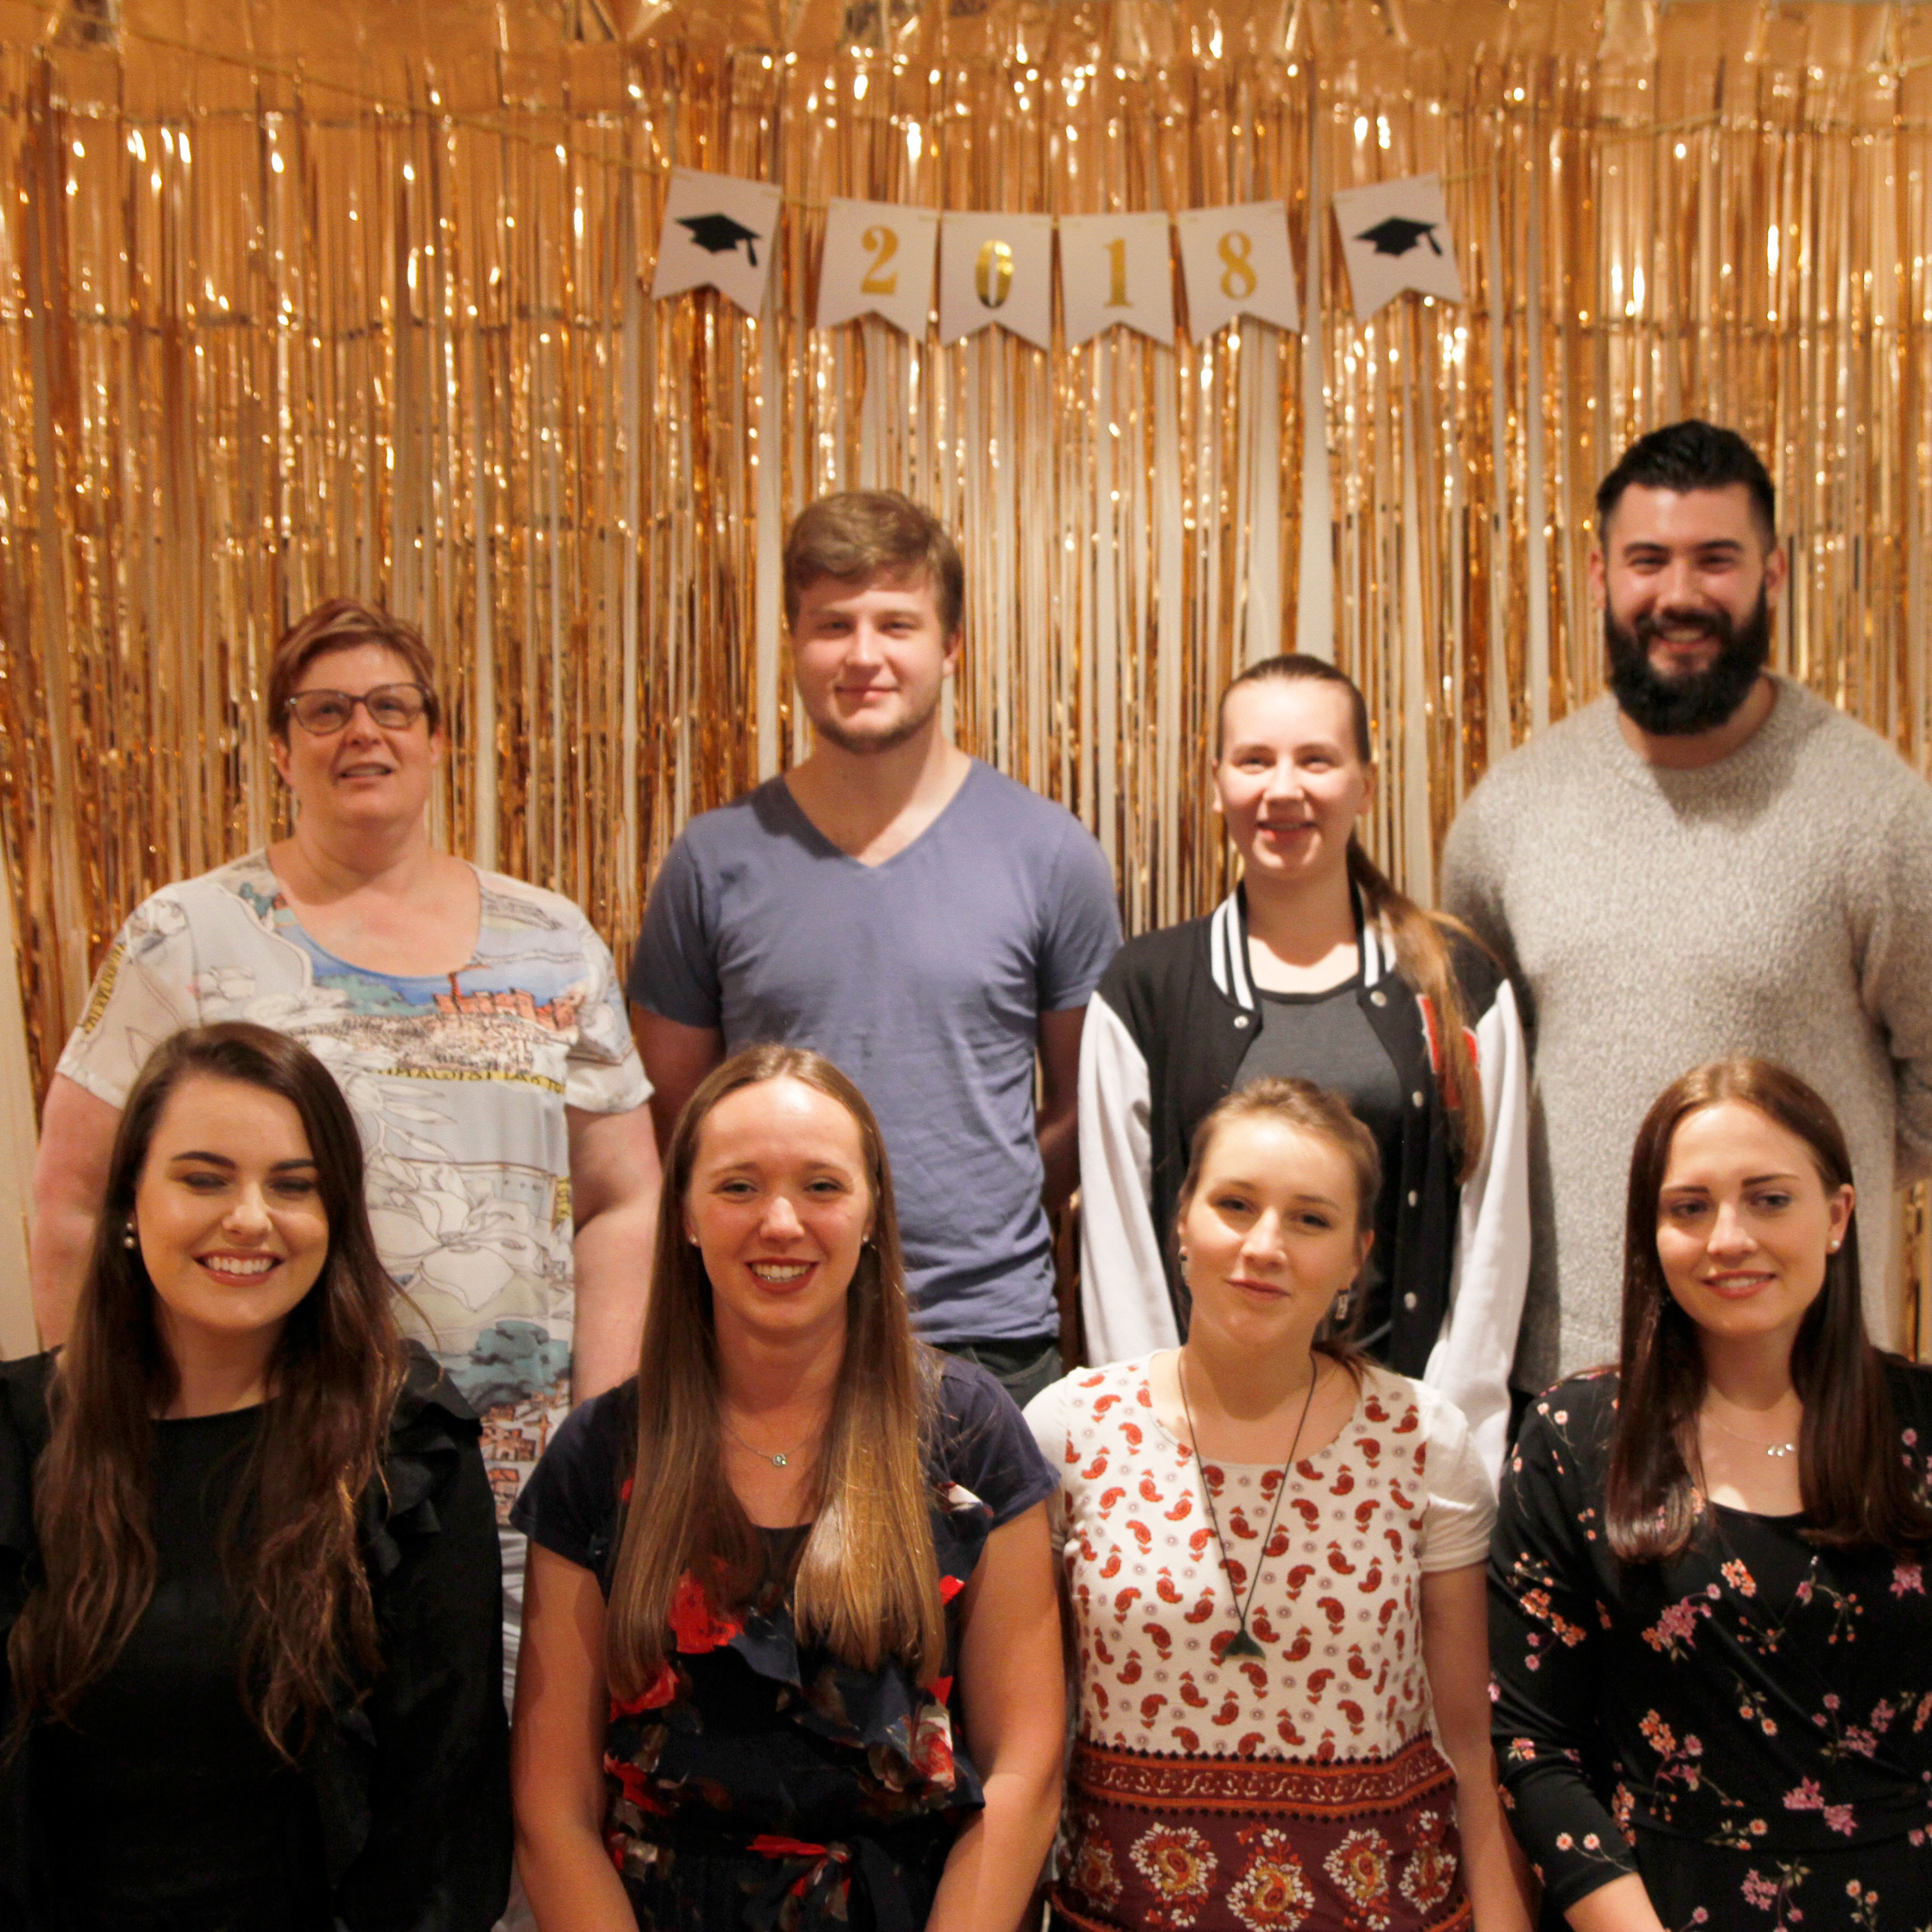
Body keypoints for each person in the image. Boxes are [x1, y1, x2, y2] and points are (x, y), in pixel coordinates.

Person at [30, 596, 658, 1667]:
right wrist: (112, 1430)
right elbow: (76, 1198)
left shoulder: (552, 942)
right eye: (323, 712)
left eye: (390, 707)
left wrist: (606, 1437)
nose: (361, 733)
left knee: (500, 1784)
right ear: (279, 748)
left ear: (437, 737)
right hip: (252, 1469)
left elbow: (622, 1200)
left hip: (515, 1487)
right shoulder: (182, 935)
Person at [509, 1042, 1065, 1931]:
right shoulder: (599, 1455)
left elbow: (1025, 1768)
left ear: (873, 1211)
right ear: (685, 1214)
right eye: (737, 1187)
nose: (780, 1223)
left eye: (822, 1187)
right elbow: (553, 1811)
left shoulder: (971, 1433)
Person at [1441, 420, 1932, 1400]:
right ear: (1597, 577)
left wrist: (1787, 1215)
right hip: (1571, 1382)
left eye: (1717, 560)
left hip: (1809, 1380)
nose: (1680, 596)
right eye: (1647, 561)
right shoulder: (1508, 816)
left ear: (1775, 573)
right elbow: (1477, 1088)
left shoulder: (1878, 812)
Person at [0, 1022, 509, 1931]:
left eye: (293, 1186)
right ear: (128, 1204)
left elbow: (444, 1813)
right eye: (203, 1178)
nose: (249, 1217)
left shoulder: (410, 1453)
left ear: (334, 1217)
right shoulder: (15, 1438)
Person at [627, 490, 1120, 1413]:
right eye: (832, 625)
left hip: (987, 1340)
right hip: (765, 1335)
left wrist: (978, 1201)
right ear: (793, 644)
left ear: (951, 645)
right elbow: (674, 1120)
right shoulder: (712, 860)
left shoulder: (1050, 854)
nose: (864, 656)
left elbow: (1085, 1107)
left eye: (897, 622)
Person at [1027, 1077, 1530, 1932]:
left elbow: (1472, 1750)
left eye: (1311, 1219)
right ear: (1181, 1220)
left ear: (1356, 1255)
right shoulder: (1072, 1432)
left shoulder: (1422, 1441)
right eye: (1235, 1204)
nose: (1265, 1245)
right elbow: (1028, 1749)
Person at [1490, 1057, 1932, 1930]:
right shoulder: (1574, 1438)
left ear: (1838, 1216)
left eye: (1770, 1199)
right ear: (1651, 1231)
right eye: (1690, 1208)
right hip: (1658, 1904)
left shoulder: (1922, 1424)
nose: (1729, 1238)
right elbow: (1534, 1744)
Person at [1080, 654, 1529, 1474]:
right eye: (1254, 760)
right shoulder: (1144, 989)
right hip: (1198, 1450)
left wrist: (1458, 1457)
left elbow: (1492, 1239)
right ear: (1217, 782)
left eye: (1316, 760)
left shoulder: (1461, 982)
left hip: (1405, 1448)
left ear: (1364, 782)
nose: (1282, 789)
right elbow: (1119, 1253)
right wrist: (1153, 1450)